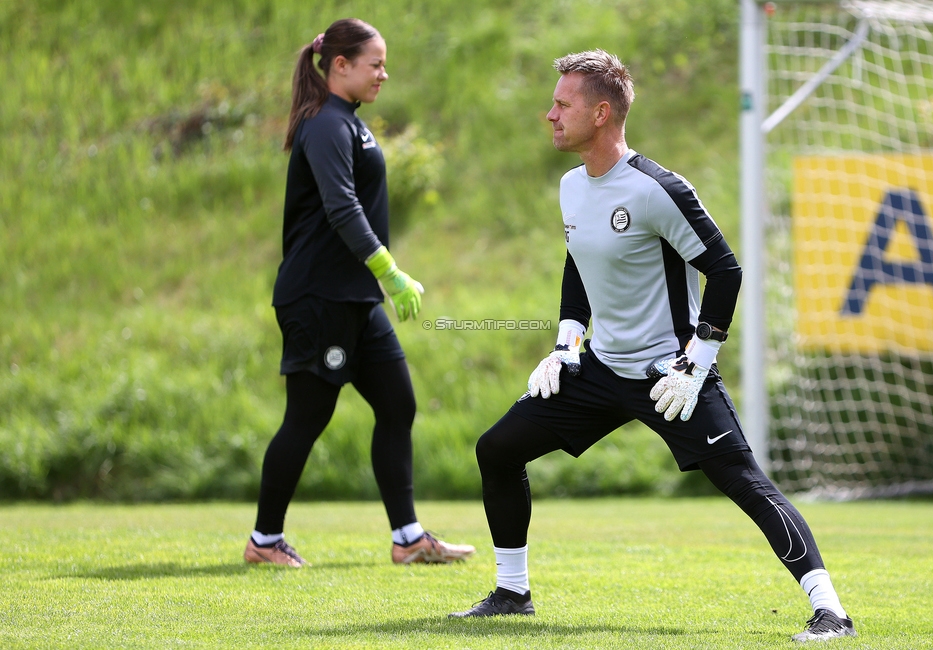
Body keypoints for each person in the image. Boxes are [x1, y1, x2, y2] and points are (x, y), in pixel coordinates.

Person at [448, 50, 855, 642]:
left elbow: (726, 272)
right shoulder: (570, 186)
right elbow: (578, 263)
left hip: (671, 373)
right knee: (498, 449)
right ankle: (513, 593)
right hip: (600, 368)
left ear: (602, 112)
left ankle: (832, 612)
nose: (550, 114)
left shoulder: (657, 189)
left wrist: (696, 362)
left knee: (744, 480)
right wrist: (566, 345)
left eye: (563, 104)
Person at [244, 18, 474, 568]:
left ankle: (409, 538)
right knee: (307, 416)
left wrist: (376, 282)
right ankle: (265, 542)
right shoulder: (325, 124)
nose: (383, 74)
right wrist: (391, 273)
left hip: (352, 298)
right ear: (339, 65)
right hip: (318, 297)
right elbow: (341, 207)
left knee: (397, 404)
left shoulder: (349, 123)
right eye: (375, 64)